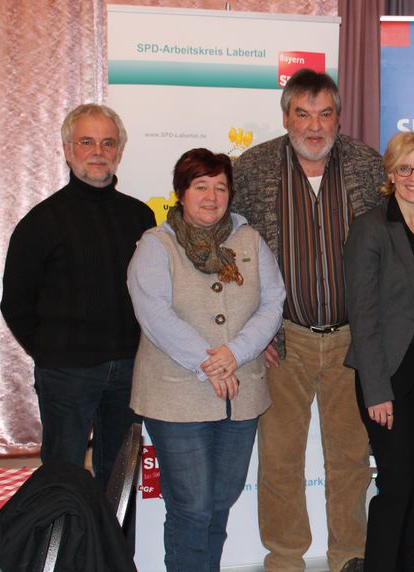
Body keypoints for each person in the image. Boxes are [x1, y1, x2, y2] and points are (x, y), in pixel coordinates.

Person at [231, 69, 384, 572]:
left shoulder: (367, 165)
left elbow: (392, 249)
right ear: (286, 118)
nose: (314, 127)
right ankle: (284, 557)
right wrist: (254, 331)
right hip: (283, 340)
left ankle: (349, 555)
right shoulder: (252, 169)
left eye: (325, 114)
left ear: (339, 117)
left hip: (351, 341)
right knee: (279, 458)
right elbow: (230, 254)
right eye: (303, 114)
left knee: (350, 459)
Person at [127, 148, 285, 570]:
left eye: (220, 187)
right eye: (201, 187)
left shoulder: (249, 240)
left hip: (241, 396)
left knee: (219, 504)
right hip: (176, 398)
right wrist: (209, 362)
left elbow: (273, 302)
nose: (212, 197)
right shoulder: (156, 245)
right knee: (191, 508)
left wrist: (235, 352)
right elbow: (154, 313)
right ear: (181, 193)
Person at [0, 104, 155, 489]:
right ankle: (65, 536)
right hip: (66, 375)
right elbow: (15, 302)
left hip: (130, 371)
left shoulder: (141, 218)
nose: (98, 152)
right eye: (86, 142)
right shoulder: (40, 221)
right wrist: (53, 353)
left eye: (108, 143)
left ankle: (112, 536)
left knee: (120, 483)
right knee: (62, 482)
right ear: (68, 150)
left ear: (120, 151)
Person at [342, 131, 414, 572]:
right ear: (390, 172)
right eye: (405, 167)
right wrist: (376, 390)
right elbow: (363, 316)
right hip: (388, 373)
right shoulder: (370, 227)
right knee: (396, 487)